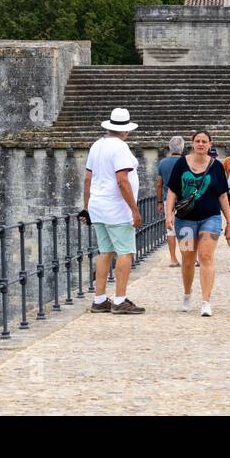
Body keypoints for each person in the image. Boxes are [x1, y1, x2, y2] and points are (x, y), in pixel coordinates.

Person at [82, 107, 146, 315]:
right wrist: (134, 210)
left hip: (98, 207)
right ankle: (119, 299)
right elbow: (122, 181)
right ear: (126, 130)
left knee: (105, 252)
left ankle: (99, 299)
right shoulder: (120, 148)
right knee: (125, 252)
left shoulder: (96, 145)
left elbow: (88, 179)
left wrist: (86, 208)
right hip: (116, 209)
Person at [165, 130, 230, 316]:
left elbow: (222, 195)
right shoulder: (181, 164)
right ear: (192, 143)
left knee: (206, 257)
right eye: (198, 141)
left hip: (210, 218)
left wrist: (229, 221)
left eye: (204, 141)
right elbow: (172, 190)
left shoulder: (217, 167)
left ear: (210, 144)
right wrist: (168, 214)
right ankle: (187, 294)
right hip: (185, 220)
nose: (201, 144)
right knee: (188, 259)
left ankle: (205, 301)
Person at [155, 135, 185, 267]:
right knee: (186, 227)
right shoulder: (186, 162)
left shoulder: (163, 163)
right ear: (182, 148)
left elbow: (159, 184)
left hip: (169, 200)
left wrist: (160, 201)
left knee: (170, 230)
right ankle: (189, 257)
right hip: (185, 201)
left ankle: (173, 258)